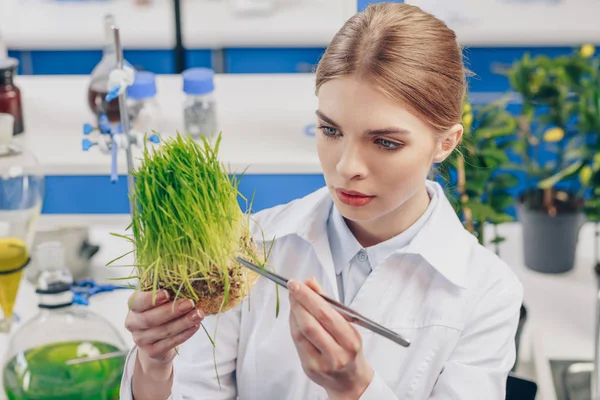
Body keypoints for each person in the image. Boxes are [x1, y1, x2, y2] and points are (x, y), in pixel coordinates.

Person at [119, 3, 524, 399]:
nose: (347, 167)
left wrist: (356, 391)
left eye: (385, 142)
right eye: (330, 131)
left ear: (445, 143)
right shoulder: (247, 251)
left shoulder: (487, 292)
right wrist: (155, 367)